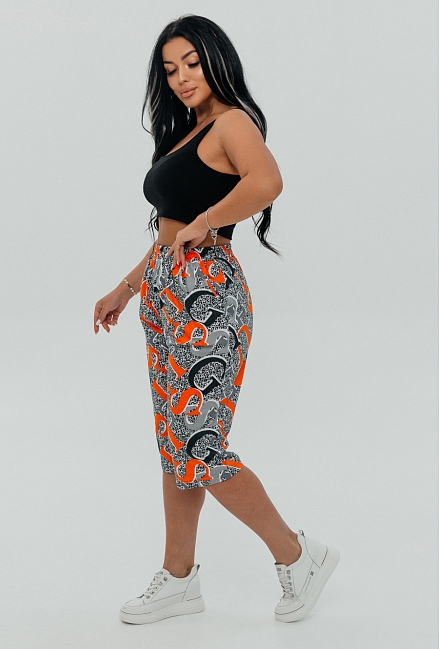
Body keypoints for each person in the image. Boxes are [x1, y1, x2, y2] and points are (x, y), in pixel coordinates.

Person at [93, 14, 340, 625]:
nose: (181, 77)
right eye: (169, 69)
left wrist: (207, 222)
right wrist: (127, 286)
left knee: (199, 447)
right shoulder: (187, 133)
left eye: (192, 63)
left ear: (216, 59)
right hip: (163, 291)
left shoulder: (233, 122)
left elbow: (268, 181)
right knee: (175, 446)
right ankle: (179, 579)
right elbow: (169, 229)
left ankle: (299, 555)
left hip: (207, 293)